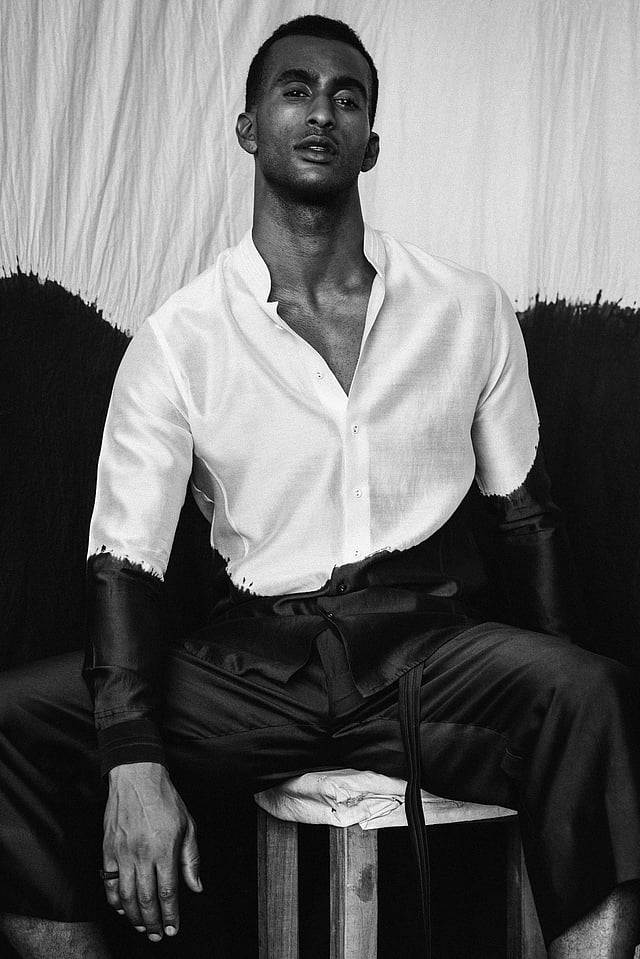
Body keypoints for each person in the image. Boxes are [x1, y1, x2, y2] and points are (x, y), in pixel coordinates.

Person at [1, 14, 639, 959]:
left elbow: (525, 518)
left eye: (347, 98)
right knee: (10, 724)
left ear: (371, 142)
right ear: (248, 128)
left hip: (428, 655)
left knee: (594, 696)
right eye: (295, 90)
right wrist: (132, 762)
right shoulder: (178, 339)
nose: (322, 112)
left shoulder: (468, 307)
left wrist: (548, 689)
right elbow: (124, 565)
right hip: (254, 669)